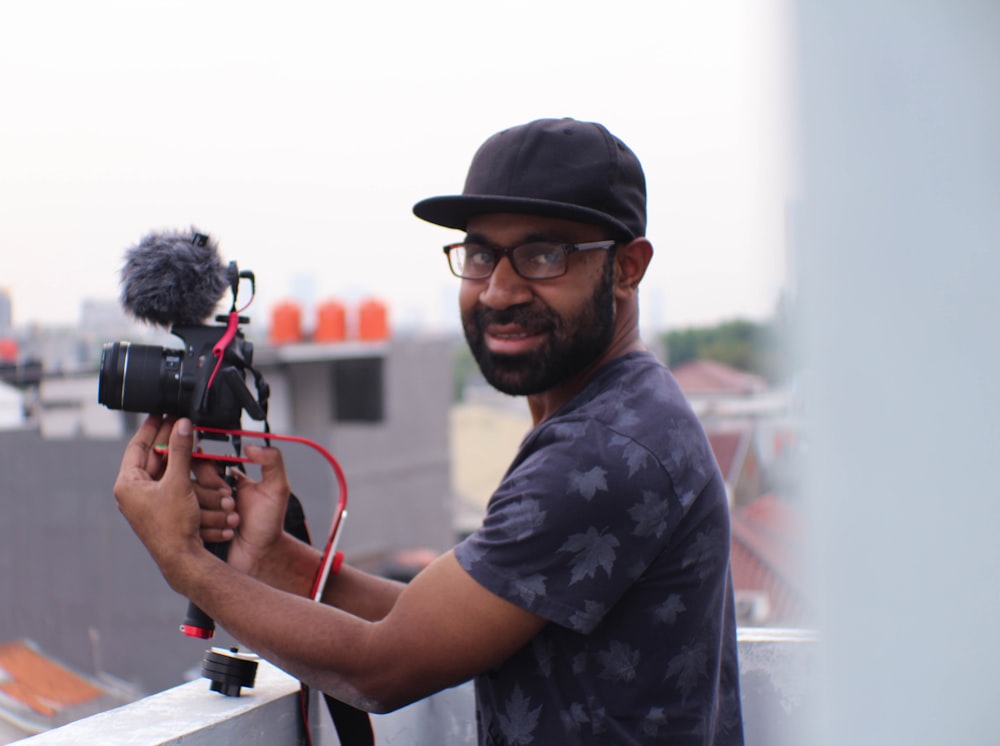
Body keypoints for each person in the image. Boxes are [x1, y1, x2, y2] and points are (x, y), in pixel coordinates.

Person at [114, 117, 745, 744]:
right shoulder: (616, 411)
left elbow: (382, 667)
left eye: (543, 254)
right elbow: (434, 620)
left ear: (627, 267)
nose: (498, 290)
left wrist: (186, 563)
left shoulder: (606, 452)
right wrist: (274, 558)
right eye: (480, 254)